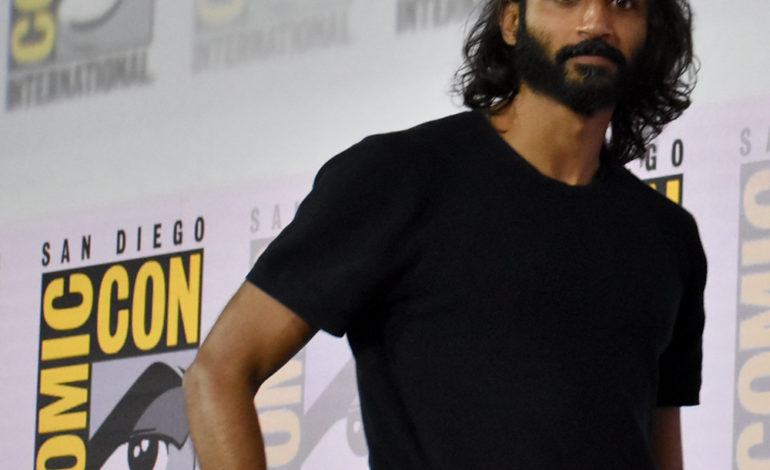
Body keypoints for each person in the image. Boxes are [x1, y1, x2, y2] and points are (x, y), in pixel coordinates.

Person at [183, 0, 706, 468]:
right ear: (511, 20)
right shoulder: (397, 178)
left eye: (624, 3)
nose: (596, 21)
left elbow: (659, 446)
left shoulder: (667, 238)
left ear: (650, 31)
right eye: (566, 0)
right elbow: (220, 370)